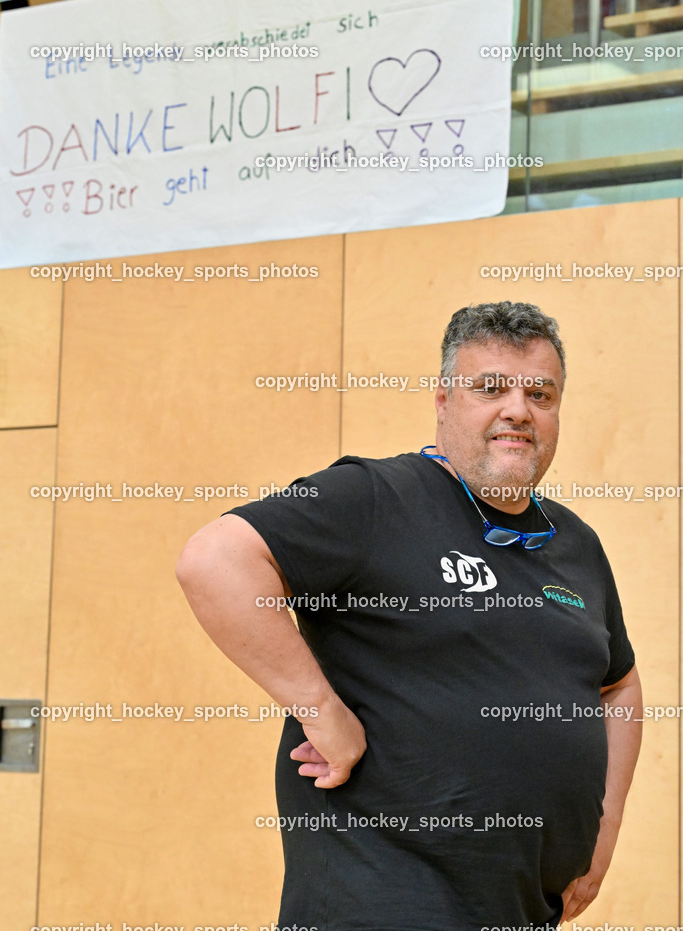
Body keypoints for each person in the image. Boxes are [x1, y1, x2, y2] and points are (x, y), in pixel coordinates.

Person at [177, 300, 642, 931]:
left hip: (523, 910)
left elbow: (619, 686)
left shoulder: (575, 543)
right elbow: (215, 561)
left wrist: (602, 830)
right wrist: (322, 711)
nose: (518, 410)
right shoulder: (372, 497)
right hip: (378, 906)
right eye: (490, 388)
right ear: (444, 401)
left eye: (540, 394)